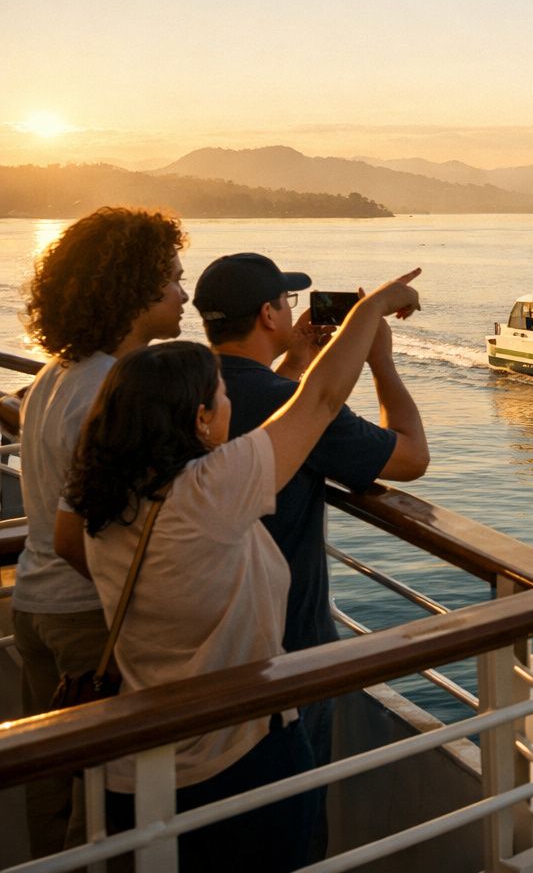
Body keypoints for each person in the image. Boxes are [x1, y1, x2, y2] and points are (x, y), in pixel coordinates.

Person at [65, 271, 422, 872]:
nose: (235, 404)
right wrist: (376, 310)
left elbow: (304, 396)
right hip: (239, 756)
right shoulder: (210, 491)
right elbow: (318, 400)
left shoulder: (111, 495)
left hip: (137, 758)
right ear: (202, 422)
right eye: (222, 397)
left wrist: (299, 352)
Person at [193, 252, 429, 851]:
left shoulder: (184, 396)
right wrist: (378, 362)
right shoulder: (287, 405)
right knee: (290, 823)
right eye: (287, 302)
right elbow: (410, 457)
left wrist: (297, 362)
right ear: (269, 313)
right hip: (286, 655)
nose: (294, 311)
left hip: (195, 655)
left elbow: (288, 402)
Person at [10, 207, 187, 858]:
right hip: (86, 618)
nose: (183, 293)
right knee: (100, 807)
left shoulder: (59, 374)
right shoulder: (109, 389)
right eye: (171, 278)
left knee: (52, 785)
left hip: (35, 605)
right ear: (134, 289)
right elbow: (74, 534)